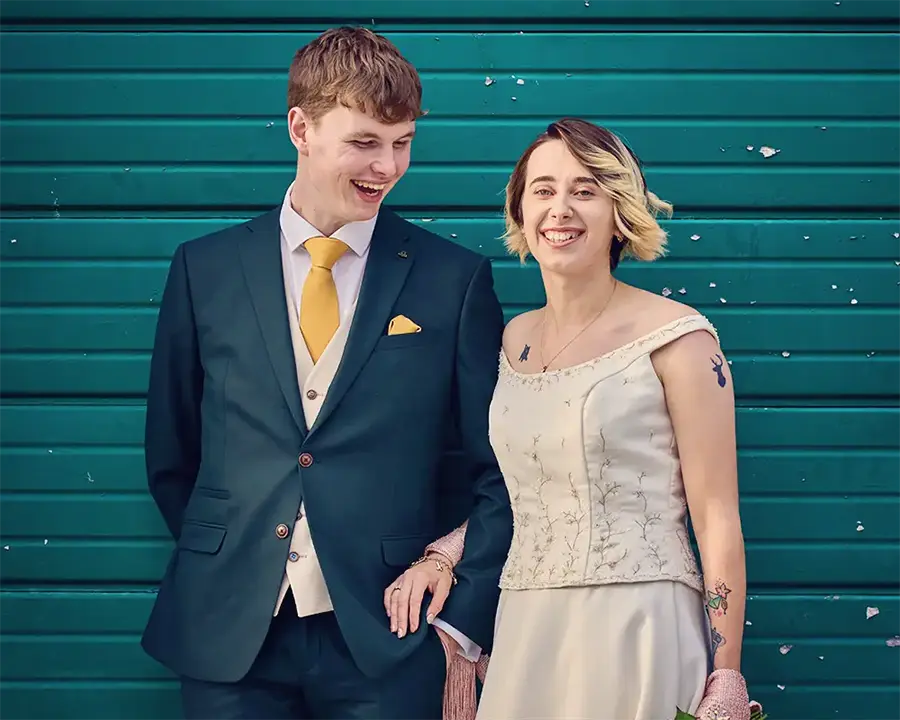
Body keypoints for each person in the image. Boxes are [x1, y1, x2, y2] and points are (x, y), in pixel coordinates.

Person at [140, 26, 513, 720]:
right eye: (365, 142)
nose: (387, 166)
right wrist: (229, 556)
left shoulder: (453, 280)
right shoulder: (204, 268)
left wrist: (457, 619)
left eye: (402, 143)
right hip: (229, 634)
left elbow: (499, 467)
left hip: (389, 635)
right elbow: (173, 451)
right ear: (300, 129)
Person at [395, 118, 753, 719]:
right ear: (520, 211)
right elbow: (522, 488)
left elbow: (716, 516)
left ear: (620, 212)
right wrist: (446, 555)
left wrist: (728, 674)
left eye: (585, 190)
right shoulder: (512, 339)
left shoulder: (680, 340)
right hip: (527, 626)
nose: (560, 209)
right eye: (543, 190)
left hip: (638, 623)